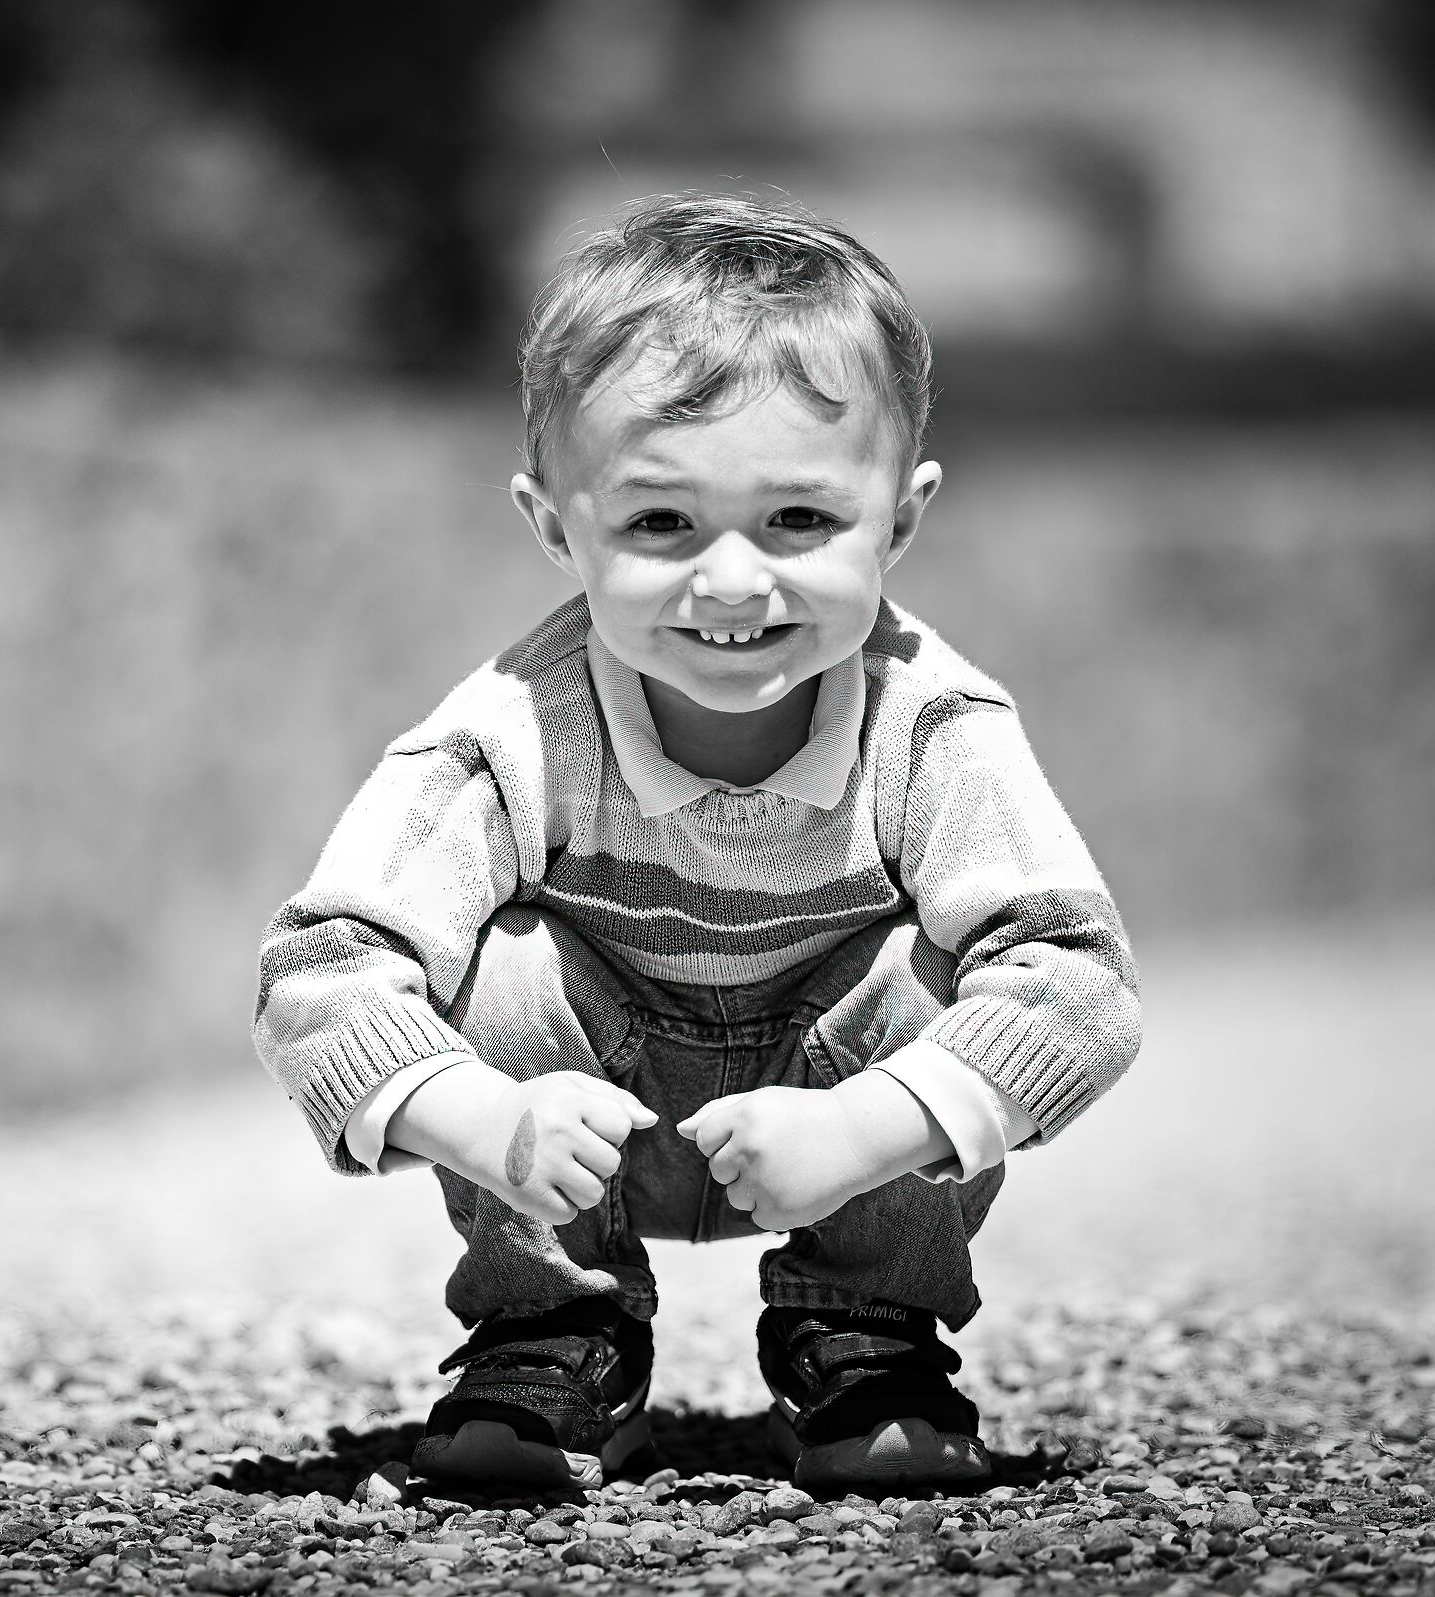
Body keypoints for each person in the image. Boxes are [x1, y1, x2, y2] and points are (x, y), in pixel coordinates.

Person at [252, 192, 1141, 1492]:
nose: (733, 582)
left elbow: (1077, 981)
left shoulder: (931, 724)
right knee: (495, 962)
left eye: (799, 521)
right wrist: (491, 1120)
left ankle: (864, 1331)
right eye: (661, 523)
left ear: (900, 519)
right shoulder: (512, 732)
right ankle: (554, 1331)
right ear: (557, 526)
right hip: (573, 1127)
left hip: (838, 1120)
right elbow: (324, 968)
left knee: (949, 969)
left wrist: (867, 1132)